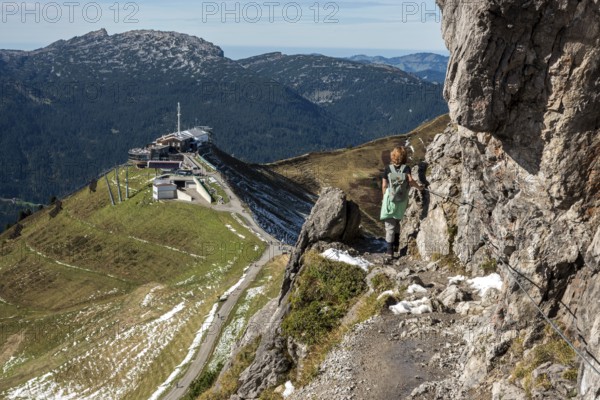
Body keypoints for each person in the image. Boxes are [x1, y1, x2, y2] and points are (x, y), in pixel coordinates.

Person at [380, 146, 423, 259]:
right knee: (397, 221)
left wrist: (385, 197)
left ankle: (389, 252)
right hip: (402, 199)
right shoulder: (406, 168)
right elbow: (410, 181)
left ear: (393, 156)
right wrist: (419, 188)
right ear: (404, 157)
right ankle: (396, 246)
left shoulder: (388, 169)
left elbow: (384, 185)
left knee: (389, 225)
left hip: (390, 199)